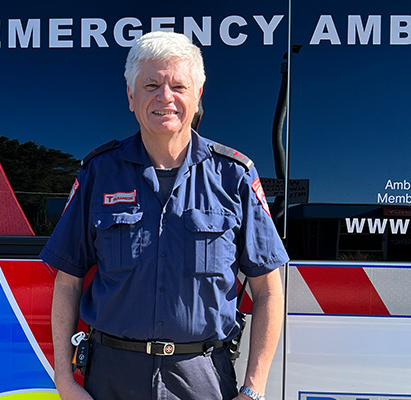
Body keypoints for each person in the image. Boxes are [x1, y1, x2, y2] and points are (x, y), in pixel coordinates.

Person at [41, 31, 288, 400]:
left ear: (198, 95)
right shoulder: (99, 172)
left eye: (178, 86)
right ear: (130, 96)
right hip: (110, 377)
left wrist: (253, 389)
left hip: (202, 376)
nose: (165, 97)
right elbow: (67, 281)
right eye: (151, 85)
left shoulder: (234, 175)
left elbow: (268, 289)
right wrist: (64, 379)